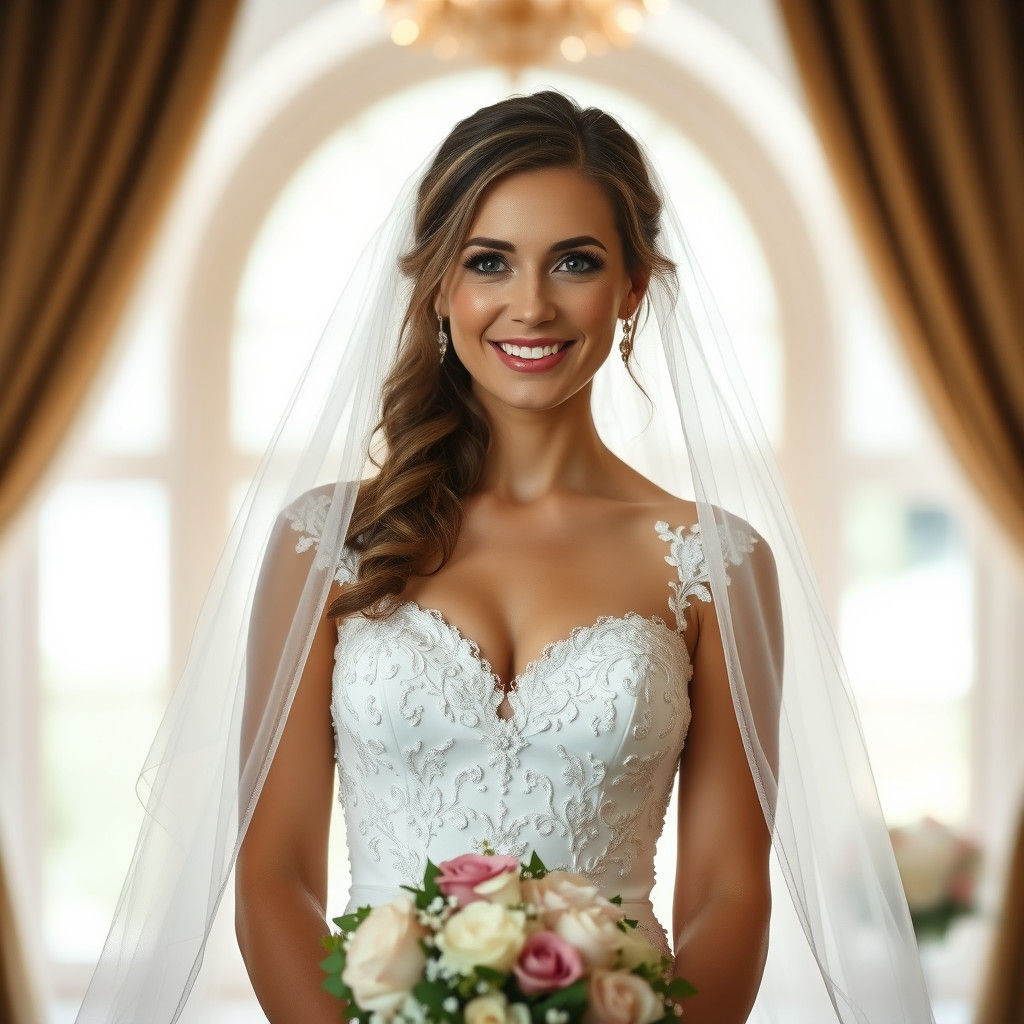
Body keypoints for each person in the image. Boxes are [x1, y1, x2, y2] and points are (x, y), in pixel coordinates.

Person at [76, 90, 935, 1024]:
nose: (531, 304)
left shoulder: (717, 562)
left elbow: (729, 893)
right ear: (441, 287)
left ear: (633, 289)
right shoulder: (324, 545)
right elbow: (272, 878)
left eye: (575, 262)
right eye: (490, 262)